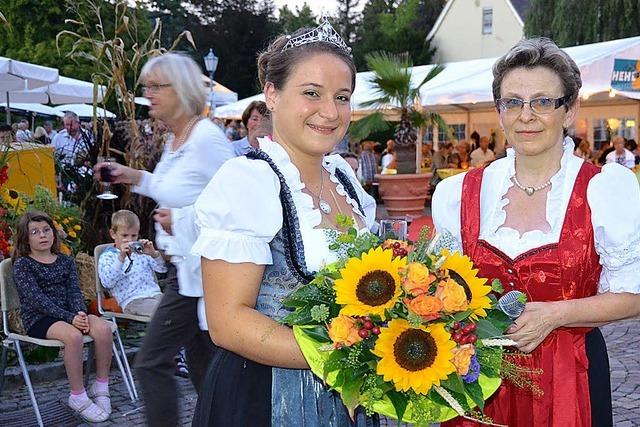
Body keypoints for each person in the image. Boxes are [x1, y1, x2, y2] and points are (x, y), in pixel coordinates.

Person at [434, 37, 640, 427]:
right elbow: (440, 288)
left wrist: (557, 314)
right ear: (500, 112)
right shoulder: (458, 194)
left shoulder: (604, 189)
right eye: (513, 102)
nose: (526, 115)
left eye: (543, 101)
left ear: (569, 111)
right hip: (478, 381)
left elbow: (634, 296)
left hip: (570, 377)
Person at [190, 18, 378, 426]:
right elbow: (227, 322)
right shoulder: (248, 182)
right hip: (265, 396)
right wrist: (344, 361)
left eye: (342, 97)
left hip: (348, 399)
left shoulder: (347, 181)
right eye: (312, 93)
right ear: (271, 95)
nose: (330, 112)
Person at [95, 52, 234, 427]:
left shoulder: (206, 139)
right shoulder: (177, 140)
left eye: (158, 86)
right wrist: (133, 176)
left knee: (152, 362)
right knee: (207, 373)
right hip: (184, 273)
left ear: (182, 89)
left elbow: (239, 202)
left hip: (199, 276)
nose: (149, 94)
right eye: (147, 87)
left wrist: (183, 219)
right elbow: (174, 188)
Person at [12, 211, 115, 423]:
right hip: (40, 318)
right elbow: (36, 299)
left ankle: (101, 386)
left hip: (71, 314)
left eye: (46, 230)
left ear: (53, 233)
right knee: (74, 337)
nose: (42, 235)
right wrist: (70, 318)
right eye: (35, 232)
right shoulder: (23, 265)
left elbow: (74, 291)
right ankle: (77, 396)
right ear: (25, 238)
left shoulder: (65, 261)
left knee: (103, 328)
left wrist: (79, 313)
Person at [98, 210, 166, 316]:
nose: (130, 240)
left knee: (180, 307)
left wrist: (154, 254)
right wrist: (121, 257)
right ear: (113, 234)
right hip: (132, 300)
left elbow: (162, 270)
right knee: (164, 312)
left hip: (155, 294)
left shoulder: (141, 251)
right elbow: (107, 283)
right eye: (124, 235)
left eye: (134, 236)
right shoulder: (108, 256)